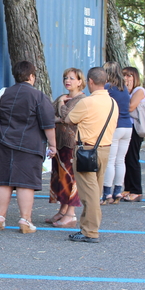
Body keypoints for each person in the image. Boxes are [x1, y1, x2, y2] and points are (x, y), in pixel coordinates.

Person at [0, 61, 56, 234]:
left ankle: (0, 217)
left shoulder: (3, 92)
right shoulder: (38, 96)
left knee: (2, 181)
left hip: (0, 143)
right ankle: (25, 220)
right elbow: (48, 124)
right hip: (28, 146)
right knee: (25, 183)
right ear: (31, 76)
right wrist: (53, 145)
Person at [65, 67, 118, 243]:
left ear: (90, 82)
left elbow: (69, 119)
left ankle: (90, 231)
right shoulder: (113, 103)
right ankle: (87, 227)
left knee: (89, 194)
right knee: (95, 190)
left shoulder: (87, 102)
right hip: (105, 149)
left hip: (86, 150)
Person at [46, 68, 87, 228]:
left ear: (80, 81)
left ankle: (71, 214)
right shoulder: (62, 97)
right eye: (65, 78)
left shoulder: (81, 100)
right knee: (60, 178)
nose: (67, 80)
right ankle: (62, 210)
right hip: (59, 142)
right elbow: (50, 113)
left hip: (72, 144)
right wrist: (58, 114)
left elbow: (66, 117)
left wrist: (61, 105)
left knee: (70, 178)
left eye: (71, 78)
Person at [101, 61, 132, 204]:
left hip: (115, 127)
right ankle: (118, 191)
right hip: (127, 126)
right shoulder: (124, 88)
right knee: (120, 161)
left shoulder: (108, 88)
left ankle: (107, 193)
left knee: (110, 161)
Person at [121, 66, 145, 202]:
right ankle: (128, 188)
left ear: (135, 77)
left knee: (132, 158)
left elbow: (130, 106)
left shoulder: (139, 90)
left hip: (135, 128)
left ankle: (137, 190)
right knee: (125, 158)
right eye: (124, 75)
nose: (126, 78)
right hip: (126, 127)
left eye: (130, 76)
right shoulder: (124, 91)